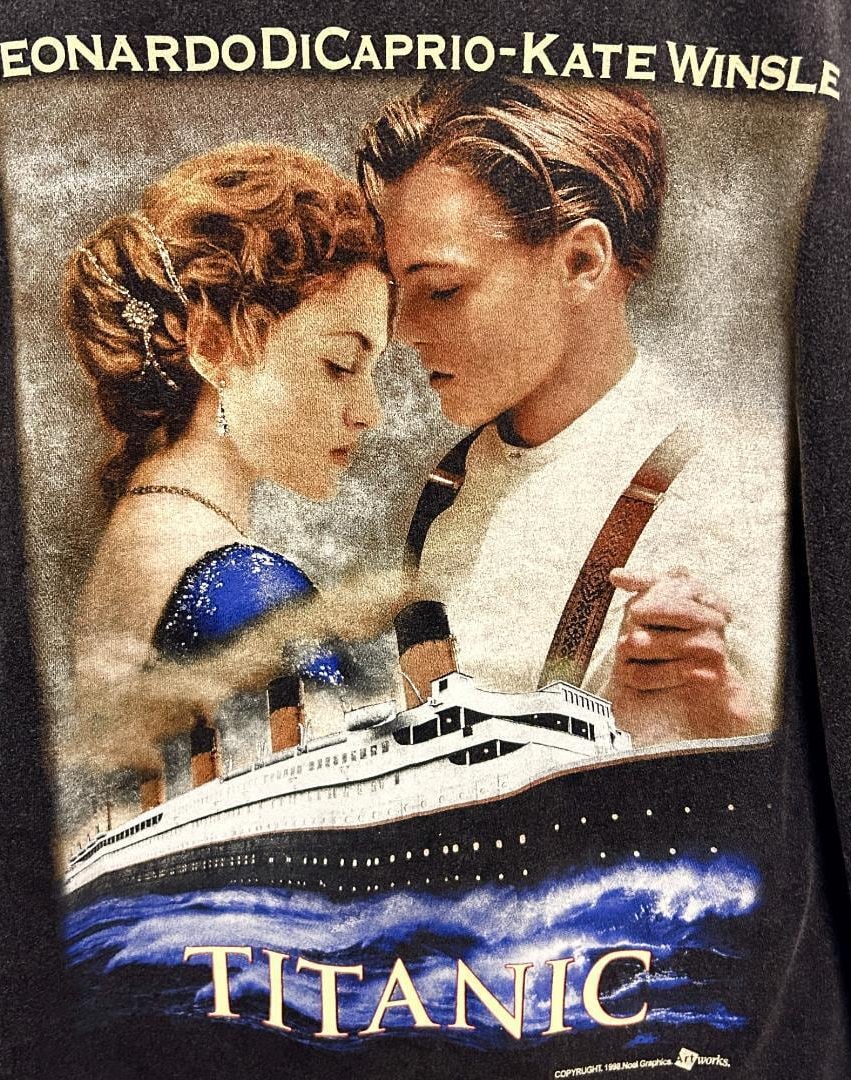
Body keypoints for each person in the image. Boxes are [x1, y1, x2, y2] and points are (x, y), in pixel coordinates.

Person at [358, 77, 787, 748]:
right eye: (396, 292)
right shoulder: (444, 493)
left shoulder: (736, 483)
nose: (402, 331)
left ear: (583, 261)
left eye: (441, 290)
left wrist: (729, 712)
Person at [62, 143, 390, 772]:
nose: (369, 410)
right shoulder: (242, 586)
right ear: (214, 346)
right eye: (341, 363)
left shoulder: (140, 528)